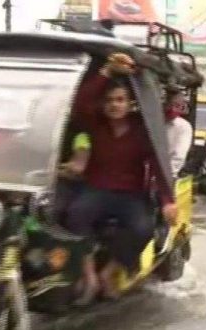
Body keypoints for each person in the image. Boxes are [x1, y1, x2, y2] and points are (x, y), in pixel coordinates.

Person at [66, 53, 177, 304]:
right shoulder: (95, 125)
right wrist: (105, 72)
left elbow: (158, 166)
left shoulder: (142, 131)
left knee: (143, 227)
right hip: (96, 190)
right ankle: (89, 276)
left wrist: (168, 200)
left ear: (130, 104)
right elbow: (80, 104)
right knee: (73, 216)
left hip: (130, 195)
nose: (114, 105)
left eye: (120, 100)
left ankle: (110, 272)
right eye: (109, 100)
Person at [164, 89, 193, 176]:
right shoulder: (152, 122)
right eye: (169, 104)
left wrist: (168, 174)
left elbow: (179, 156)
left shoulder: (183, 126)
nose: (172, 108)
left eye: (177, 105)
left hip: (167, 175)